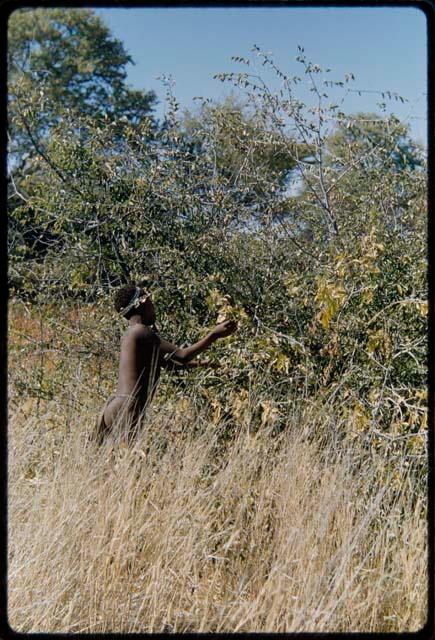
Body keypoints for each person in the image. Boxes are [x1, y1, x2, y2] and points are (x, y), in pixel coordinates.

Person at [95, 282, 237, 444]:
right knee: (128, 462)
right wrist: (214, 334)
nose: (153, 306)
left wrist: (205, 363)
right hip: (128, 408)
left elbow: (170, 364)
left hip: (116, 406)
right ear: (141, 303)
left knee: (116, 463)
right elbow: (182, 356)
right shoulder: (140, 331)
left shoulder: (132, 334)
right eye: (149, 301)